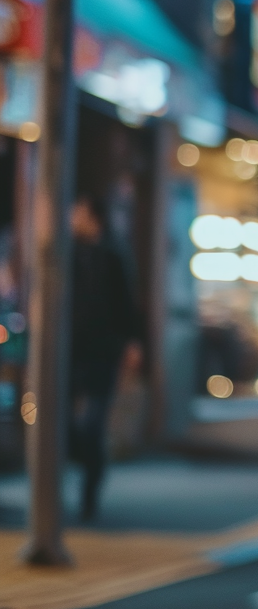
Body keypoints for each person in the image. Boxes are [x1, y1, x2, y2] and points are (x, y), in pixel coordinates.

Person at [68, 195, 142, 522]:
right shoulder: (67, 253)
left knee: (94, 425)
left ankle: (89, 497)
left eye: (78, 212)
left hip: (103, 351)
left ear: (92, 216)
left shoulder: (113, 255)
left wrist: (131, 343)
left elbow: (127, 304)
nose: (72, 218)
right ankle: (79, 482)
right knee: (66, 425)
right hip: (71, 351)